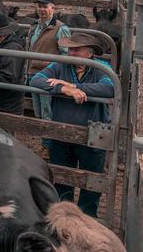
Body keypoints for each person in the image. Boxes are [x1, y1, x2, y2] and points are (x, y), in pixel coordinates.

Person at [30, 33, 114, 217]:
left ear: (90, 53)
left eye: (77, 49)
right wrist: (63, 89)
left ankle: (88, 218)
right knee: (61, 177)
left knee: (91, 181)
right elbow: (35, 79)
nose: (72, 52)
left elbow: (110, 87)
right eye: (70, 48)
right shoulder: (60, 64)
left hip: (93, 135)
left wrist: (75, 87)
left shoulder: (102, 67)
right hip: (62, 132)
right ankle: (62, 217)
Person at [26, 0, 71, 121]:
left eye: (45, 6)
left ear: (53, 8)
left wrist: (51, 67)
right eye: (39, 6)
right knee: (38, 112)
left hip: (48, 76)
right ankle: (44, 139)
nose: (41, 9)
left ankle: (48, 141)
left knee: (48, 112)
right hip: (32, 73)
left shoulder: (61, 28)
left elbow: (66, 54)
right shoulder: (34, 26)